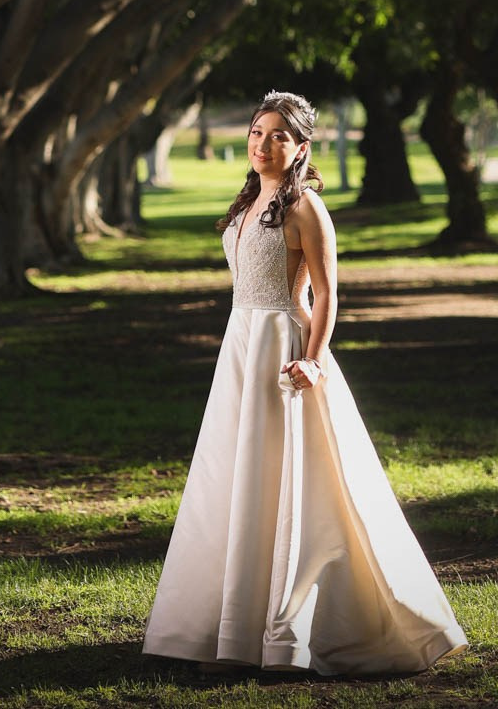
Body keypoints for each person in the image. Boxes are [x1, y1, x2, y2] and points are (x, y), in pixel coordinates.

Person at [142, 89, 467, 676]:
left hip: (283, 348)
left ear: (301, 147)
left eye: (278, 136)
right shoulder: (249, 201)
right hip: (241, 344)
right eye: (256, 133)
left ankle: (293, 629)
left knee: (295, 481)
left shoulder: (306, 208)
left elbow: (327, 294)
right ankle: (229, 627)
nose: (263, 145)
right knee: (238, 476)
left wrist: (313, 360)